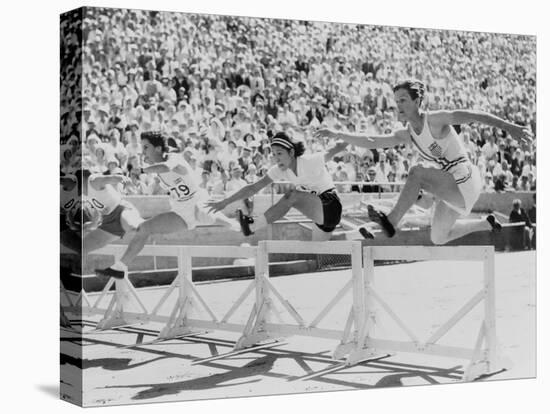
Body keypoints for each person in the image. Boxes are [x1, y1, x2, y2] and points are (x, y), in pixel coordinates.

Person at [316, 79, 532, 245]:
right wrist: (338, 133)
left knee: (417, 173)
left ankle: (391, 220)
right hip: (450, 186)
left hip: (464, 177)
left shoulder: (435, 120)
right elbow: (372, 140)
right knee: (438, 236)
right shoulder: (407, 134)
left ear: (417, 101)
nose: (398, 106)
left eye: (403, 100)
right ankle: (484, 223)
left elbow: (472, 115)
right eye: (396, 101)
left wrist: (510, 127)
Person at [95, 131, 240, 279]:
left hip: (197, 201)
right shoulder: (156, 167)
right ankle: (120, 267)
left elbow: (166, 167)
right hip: (181, 212)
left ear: (158, 149)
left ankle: (236, 224)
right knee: (144, 229)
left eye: (146, 147)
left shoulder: (174, 158)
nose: (143, 152)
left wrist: (143, 170)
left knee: (202, 213)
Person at [206, 132, 349, 241]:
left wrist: (337, 133)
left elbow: (339, 146)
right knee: (321, 250)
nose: (276, 158)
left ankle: (252, 226)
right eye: (274, 154)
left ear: (291, 152)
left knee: (291, 195)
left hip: (331, 205)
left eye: (279, 153)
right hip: (320, 215)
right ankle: (358, 233)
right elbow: (253, 188)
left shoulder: (310, 161)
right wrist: (224, 202)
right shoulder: (280, 169)